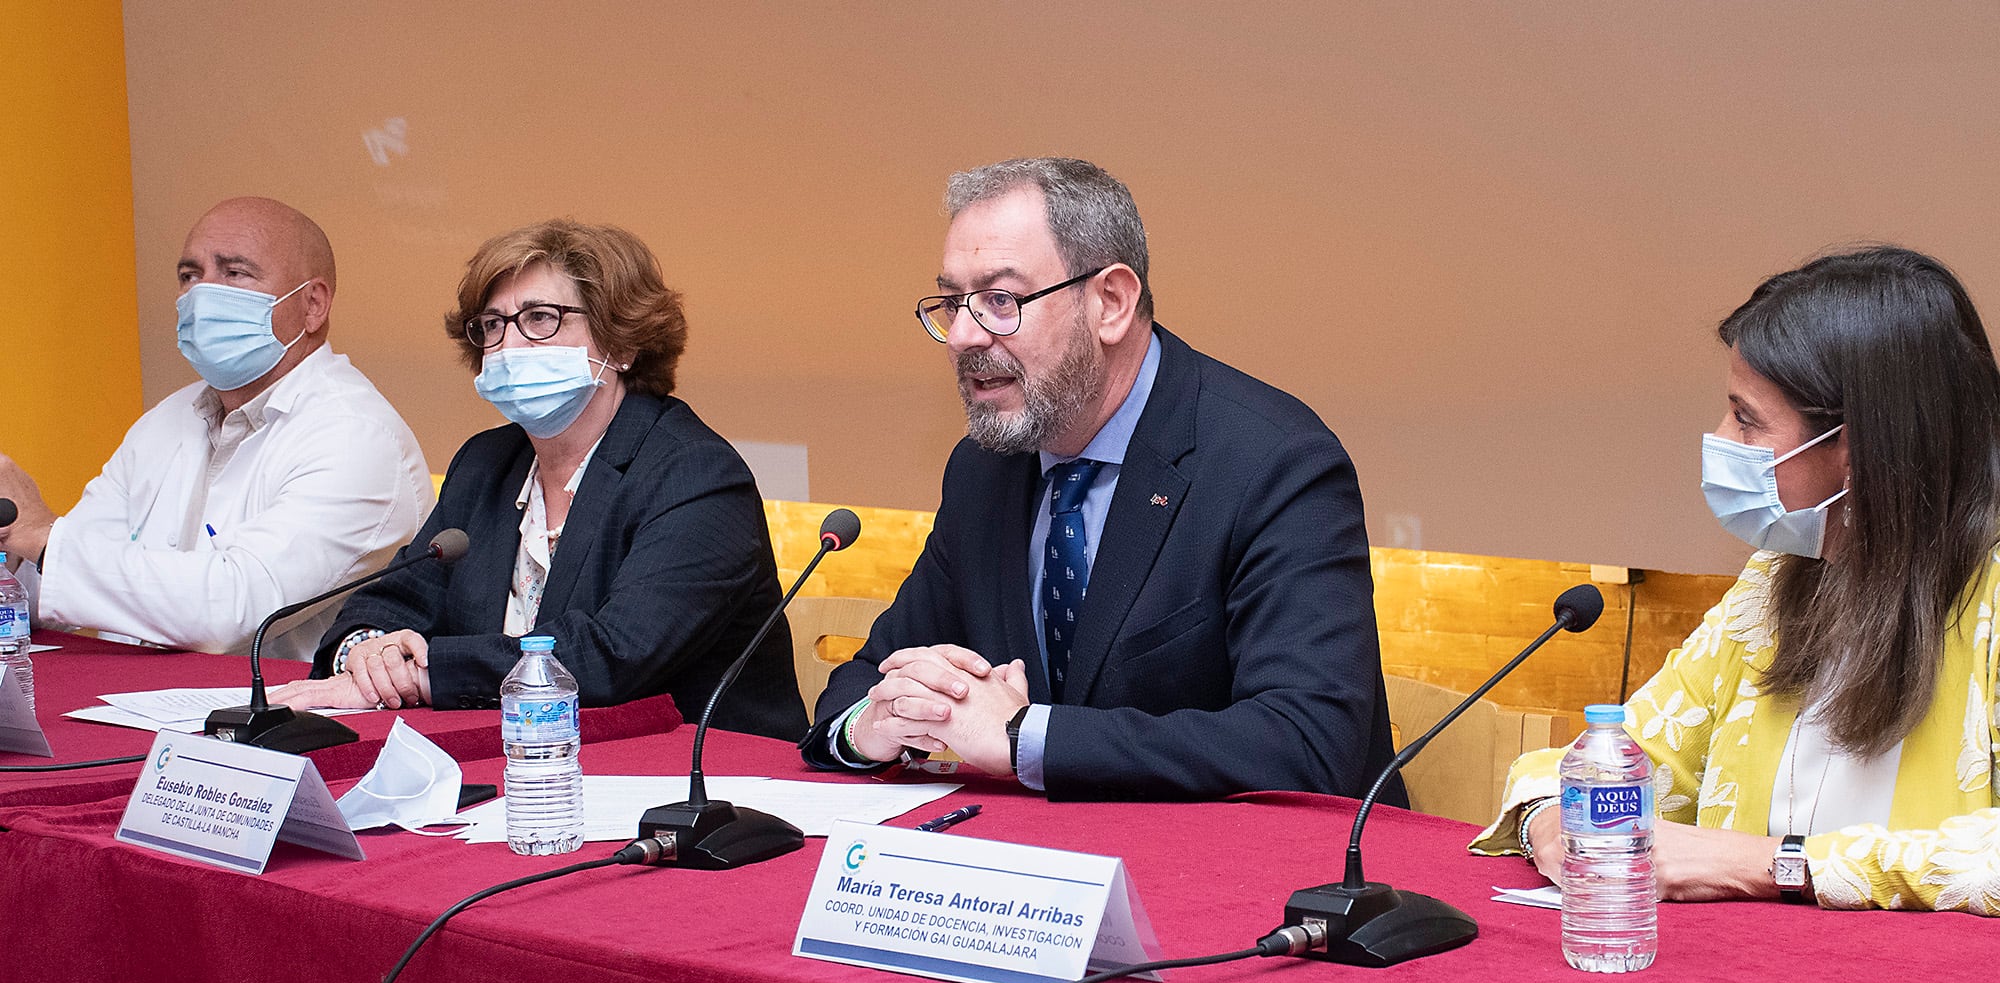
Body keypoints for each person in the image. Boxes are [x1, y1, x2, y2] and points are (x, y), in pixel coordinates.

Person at [799, 157, 1399, 801]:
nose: (963, 336)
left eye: (1001, 301)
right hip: (1048, 874)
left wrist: (1025, 738)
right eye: (953, 303)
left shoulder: (1274, 462)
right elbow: (868, 676)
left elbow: (1308, 741)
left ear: (1111, 302)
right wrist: (877, 723)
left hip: (1269, 880)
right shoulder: (984, 468)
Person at [1476, 245, 2000, 915]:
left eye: (1747, 418)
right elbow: (1616, 759)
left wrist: (1774, 863)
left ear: (1861, 447)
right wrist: (1548, 819)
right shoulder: (1772, 586)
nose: (1720, 437)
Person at [272, 219, 805, 738]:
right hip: (516, 756)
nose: (509, 346)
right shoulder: (485, 463)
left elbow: (612, 655)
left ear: (621, 344)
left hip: (699, 780)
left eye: (542, 319)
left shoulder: (696, 475)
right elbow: (390, 600)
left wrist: (423, 675)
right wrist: (368, 651)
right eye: (494, 324)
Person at [0, 197, 428, 658]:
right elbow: (65, 580)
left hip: (284, 722)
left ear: (313, 304)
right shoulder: (169, 417)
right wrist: (13, 548)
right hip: (136, 707)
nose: (202, 294)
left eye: (234, 273)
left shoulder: (358, 437)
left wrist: (42, 536)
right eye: (190, 275)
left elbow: (233, 609)